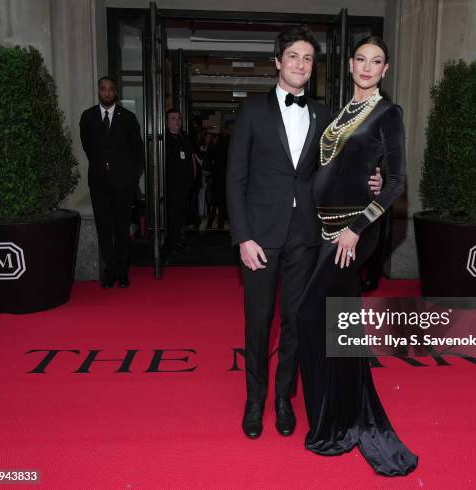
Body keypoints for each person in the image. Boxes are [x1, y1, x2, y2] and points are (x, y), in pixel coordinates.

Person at [226, 26, 382, 440]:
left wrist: (372, 183)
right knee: (258, 323)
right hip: (259, 236)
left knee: (295, 321)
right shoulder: (252, 113)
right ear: (278, 62)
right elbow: (234, 179)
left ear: (314, 68)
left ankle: (283, 397)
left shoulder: (323, 116)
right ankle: (255, 399)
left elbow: (338, 173)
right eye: (293, 56)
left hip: (306, 237)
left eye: (308, 58)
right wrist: (243, 236)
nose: (300, 64)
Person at [296, 37, 418, 476]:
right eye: (361, 60)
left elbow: (396, 181)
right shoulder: (338, 111)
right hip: (326, 228)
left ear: (385, 70)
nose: (367, 68)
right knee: (338, 321)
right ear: (350, 66)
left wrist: (357, 228)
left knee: (312, 315)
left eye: (376, 62)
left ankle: (335, 419)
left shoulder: (388, 114)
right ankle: (341, 414)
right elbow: (330, 166)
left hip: (354, 231)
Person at [80, 76, 143, 289]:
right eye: (103, 89)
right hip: (99, 183)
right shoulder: (88, 117)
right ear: (98, 91)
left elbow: (138, 153)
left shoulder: (128, 117)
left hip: (123, 185)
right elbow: (88, 148)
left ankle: (123, 272)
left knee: (122, 228)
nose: (106, 93)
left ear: (116, 92)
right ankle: (111, 270)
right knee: (104, 228)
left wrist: (131, 178)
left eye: (110, 90)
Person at [165, 109, 197, 258]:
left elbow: (191, 158)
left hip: (185, 186)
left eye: (179, 118)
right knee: (172, 216)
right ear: (166, 121)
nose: (177, 121)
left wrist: (193, 179)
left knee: (181, 215)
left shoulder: (184, 137)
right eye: (173, 118)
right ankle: (172, 243)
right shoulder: (164, 139)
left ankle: (179, 239)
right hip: (170, 187)